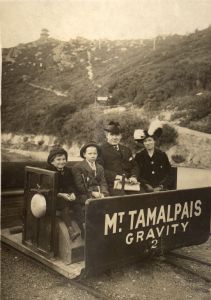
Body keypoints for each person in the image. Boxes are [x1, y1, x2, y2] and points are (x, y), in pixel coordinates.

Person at [72, 142, 109, 235]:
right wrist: (92, 193)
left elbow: (103, 182)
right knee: (90, 206)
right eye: (90, 153)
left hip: (99, 192)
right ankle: (88, 230)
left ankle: (103, 229)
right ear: (84, 154)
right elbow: (79, 186)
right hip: (84, 193)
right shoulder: (78, 167)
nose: (93, 156)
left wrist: (103, 193)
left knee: (108, 204)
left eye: (95, 153)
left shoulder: (100, 168)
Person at [47, 146, 80, 241]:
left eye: (64, 159)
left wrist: (73, 193)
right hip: (53, 197)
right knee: (64, 204)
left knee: (77, 203)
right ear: (52, 161)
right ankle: (70, 230)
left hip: (67, 196)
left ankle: (83, 227)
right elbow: (48, 188)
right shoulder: (48, 171)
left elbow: (71, 185)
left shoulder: (68, 171)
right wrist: (61, 194)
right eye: (58, 159)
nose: (62, 161)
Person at [98, 121, 138, 195]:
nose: (115, 137)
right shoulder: (100, 150)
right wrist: (116, 176)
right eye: (112, 135)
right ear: (107, 135)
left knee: (142, 196)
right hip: (112, 184)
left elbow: (135, 166)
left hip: (129, 182)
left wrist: (134, 176)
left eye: (117, 135)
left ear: (121, 136)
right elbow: (99, 169)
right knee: (122, 199)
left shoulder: (126, 149)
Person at [133, 121, 173, 192]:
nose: (148, 143)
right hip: (145, 189)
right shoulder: (139, 156)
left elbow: (169, 174)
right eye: (145, 141)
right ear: (143, 143)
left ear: (154, 141)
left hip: (161, 189)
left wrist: (161, 186)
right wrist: (146, 185)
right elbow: (137, 174)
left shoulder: (162, 155)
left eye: (150, 140)